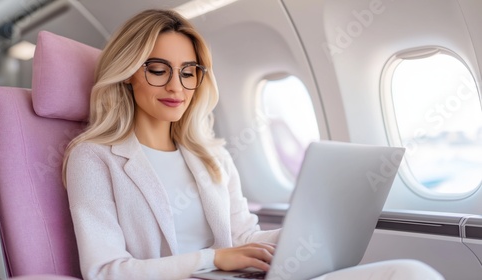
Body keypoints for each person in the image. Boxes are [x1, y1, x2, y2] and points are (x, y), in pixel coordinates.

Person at [63, 9, 444, 280]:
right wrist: (213, 259)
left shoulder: (211, 156)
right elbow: (105, 271)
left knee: (412, 272)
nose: (176, 87)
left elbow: (243, 238)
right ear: (129, 73)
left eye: (188, 72)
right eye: (159, 70)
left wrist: (316, 228)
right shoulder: (94, 158)